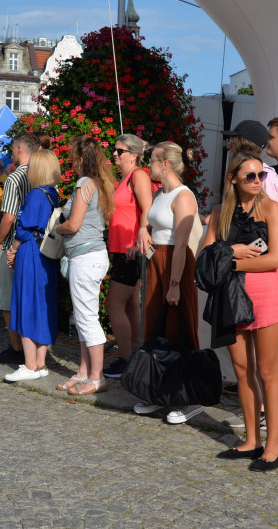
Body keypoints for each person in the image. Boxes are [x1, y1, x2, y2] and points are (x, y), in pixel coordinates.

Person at [201, 151, 278, 471]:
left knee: (267, 371)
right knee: (241, 370)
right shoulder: (221, 212)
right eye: (249, 176)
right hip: (230, 296)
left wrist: (232, 262)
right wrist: (231, 250)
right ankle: (252, 440)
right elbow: (204, 256)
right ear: (232, 179)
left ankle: (273, 448)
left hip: (265, 295)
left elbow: (275, 259)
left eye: (261, 175)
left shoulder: (270, 208)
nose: (256, 181)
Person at [134, 141, 202, 425]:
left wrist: (174, 284)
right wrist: (143, 230)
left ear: (165, 164)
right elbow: (154, 221)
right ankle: (160, 392)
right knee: (155, 326)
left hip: (176, 264)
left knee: (178, 328)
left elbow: (182, 243)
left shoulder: (183, 196)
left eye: (151, 160)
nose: (147, 165)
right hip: (157, 262)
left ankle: (188, 398)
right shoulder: (162, 192)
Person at [52, 138, 115, 394]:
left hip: (85, 257)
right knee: (82, 317)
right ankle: (83, 371)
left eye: (71, 157)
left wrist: (56, 228)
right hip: (90, 256)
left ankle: (97, 377)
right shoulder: (98, 183)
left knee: (87, 319)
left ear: (79, 159)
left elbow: (74, 224)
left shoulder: (84, 183)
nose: (69, 161)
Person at [3, 149, 62, 382]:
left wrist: (13, 249)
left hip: (30, 252)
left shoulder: (36, 194)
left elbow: (25, 228)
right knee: (42, 305)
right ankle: (40, 362)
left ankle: (29, 364)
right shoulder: (52, 193)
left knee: (26, 304)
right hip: (45, 253)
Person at [101, 134, 153, 380]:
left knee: (114, 305)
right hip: (121, 249)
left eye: (119, 151)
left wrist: (137, 241)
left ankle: (126, 359)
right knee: (132, 303)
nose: (114, 154)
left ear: (133, 154)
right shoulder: (125, 179)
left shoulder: (138, 175)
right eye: (115, 149)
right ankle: (134, 354)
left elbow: (147, 210)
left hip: (129, 250)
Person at [0, 133, 40, 364]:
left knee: (8, 298)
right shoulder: (42, 175)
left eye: (13, 148)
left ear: (20, 148)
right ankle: (34, 347)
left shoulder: (15, 178)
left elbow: (9, 216)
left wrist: (0, 241)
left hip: (14, 243)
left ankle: (16, 346)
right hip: (36, 244)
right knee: (30, 297)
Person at [223, 120, 278, 203]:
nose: (229, 146)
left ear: (246, 148)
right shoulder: (238, 171)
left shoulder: (265, 176)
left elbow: (269, 212)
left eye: (233, 144)